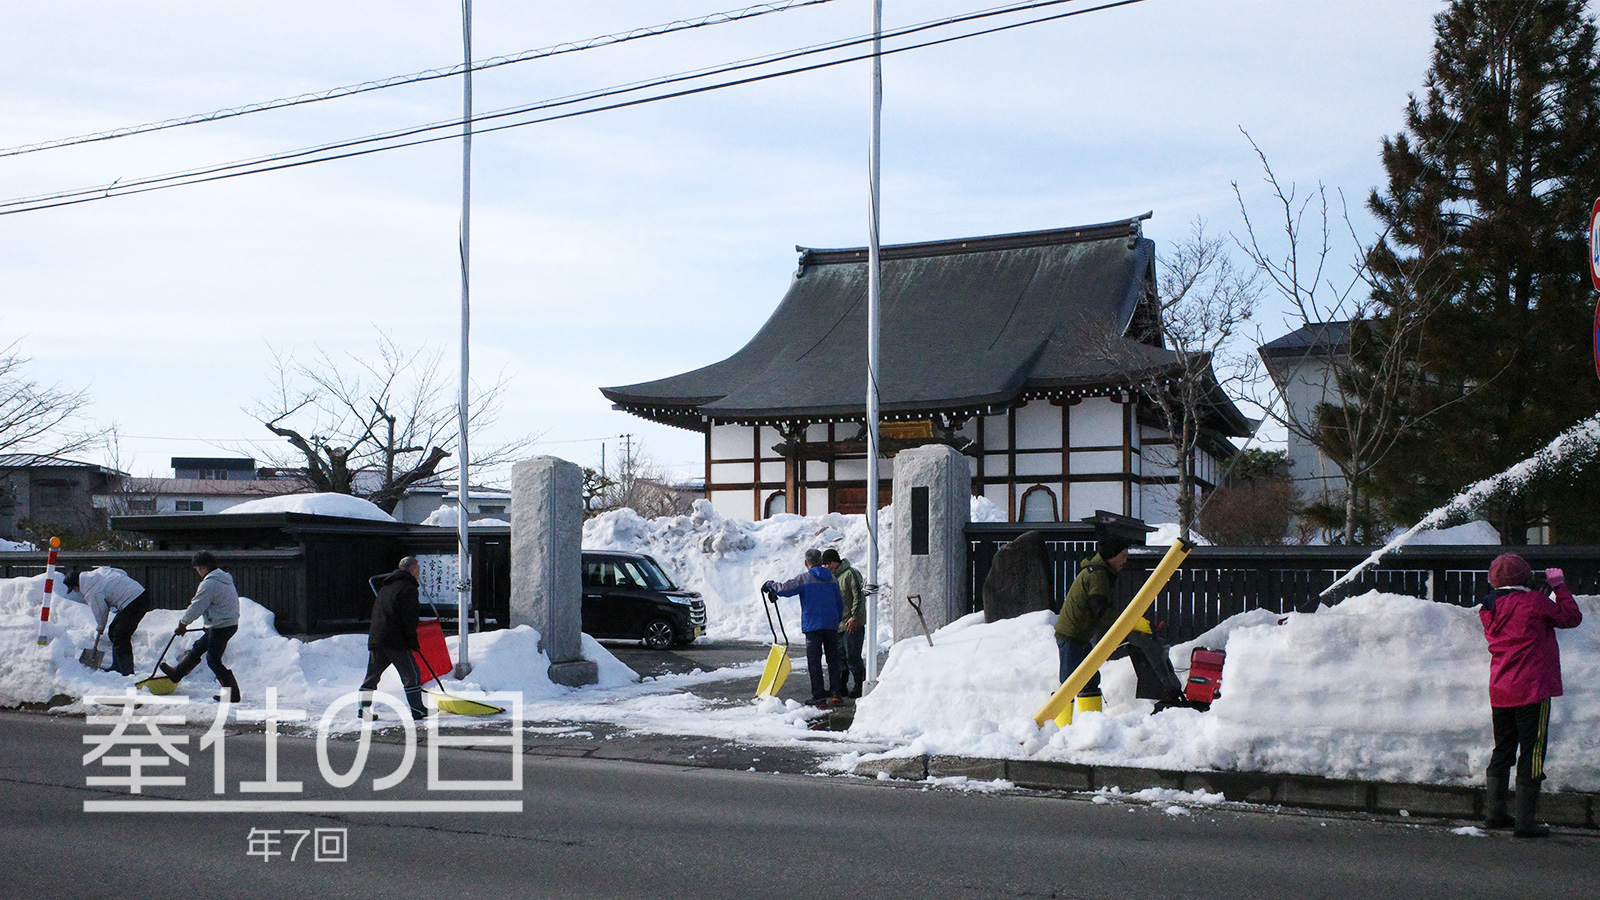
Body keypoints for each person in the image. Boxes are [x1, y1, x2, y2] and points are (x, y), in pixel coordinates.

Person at [1478, 552, 1582, 838]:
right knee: (1533, 752)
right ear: (1525, 577)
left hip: (1501, 688)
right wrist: (1558, 585)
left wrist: (1536, 594)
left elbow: (1515, 612)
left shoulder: (1488, 608)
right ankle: (1525, 821)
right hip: (1532, 688)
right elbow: (1571, 618)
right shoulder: (1535, 602)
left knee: (1503, 749)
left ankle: (1495, 814)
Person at [1052, 535, 1132, 715]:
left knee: (1090, 678)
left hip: (1080, 635)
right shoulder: (1098, 575)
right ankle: (1061, 729)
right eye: (1123, 555)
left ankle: (1092, 724)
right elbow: (1101, 609)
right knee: (1070, 682)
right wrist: (1127, 624)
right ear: (1112, 555)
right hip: (1071, 634)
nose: (1125, 560)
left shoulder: (1101, 572)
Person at [160, 551, 243, 703]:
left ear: (203, 567)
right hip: (225, 624)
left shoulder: (209, 583)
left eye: (197, 568)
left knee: (213, 660)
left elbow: (197, 606)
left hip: (221, 626)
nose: (197, 572)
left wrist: (183, 624)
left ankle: (233, 694)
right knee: (198, 648)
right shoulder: (224, 579)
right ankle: (177, 673)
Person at [766, 548, 846, 706]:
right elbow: (839, 603)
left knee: (814, 662)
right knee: (833, 660)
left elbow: (786, 588)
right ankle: (836, 693)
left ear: (805, 562)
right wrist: (835, 621)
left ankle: (819, 697)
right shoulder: (832, 578)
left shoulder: (804, 578)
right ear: (821, 561)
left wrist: (770, 585)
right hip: (831, 625)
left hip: (813, 626)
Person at [358, 556, 426, 721]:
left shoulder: (386, 587)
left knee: (372, 676)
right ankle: (418, 709)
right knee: (412, 674)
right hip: (395, 639)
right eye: (418, 569)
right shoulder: (408, 588)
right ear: (411, 570)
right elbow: (409, 618)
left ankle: (363, 710)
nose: (419, 573)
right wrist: (412, 641)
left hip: (377, 637)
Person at [64, 567, 150, 675]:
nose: (76, 591)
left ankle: (127, 673)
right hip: (139, 593)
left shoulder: (92, 591)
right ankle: (117, 667)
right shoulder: (99, 571)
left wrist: (100, 627)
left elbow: (100, 611)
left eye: (74, 589)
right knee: (113, 630)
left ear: (77, 583)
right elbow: (121, 572)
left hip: (134, 601)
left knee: (121, 636)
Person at [823, 548, 866, 698]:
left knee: (852, 655)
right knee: (840, 657)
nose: (827, 567)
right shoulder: (832, 578)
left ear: (835, 561)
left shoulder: (851, 574)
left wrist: (855, 616)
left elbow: (859, 596)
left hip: (851, 623)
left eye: (828, 563)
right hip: (838, 624)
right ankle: (841, 686)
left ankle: (860, 685)